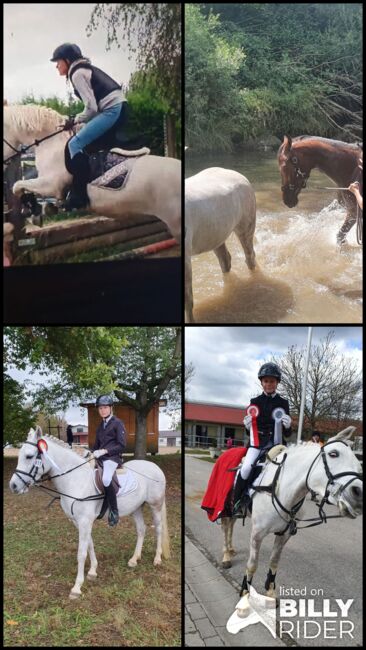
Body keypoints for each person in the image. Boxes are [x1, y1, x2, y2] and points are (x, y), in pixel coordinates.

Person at [50, 43, 127, 210]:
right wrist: (80, 121)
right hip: (117, 107)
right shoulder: (83, 69)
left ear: (68, 60)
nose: (57, 66)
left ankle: (80, 196)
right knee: (86, 140)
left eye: (58, 62)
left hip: (111, 110)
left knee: (74, 144)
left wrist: (75, 119)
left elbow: (91, 107)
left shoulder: (77, 74)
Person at [232, 362, 292, 516]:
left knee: (289, 469)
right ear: (262, 382)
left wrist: (288, 425)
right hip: (257, 443)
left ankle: (290, 507)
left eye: (272, 381)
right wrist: (247, 426)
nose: (269, 384)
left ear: (277, 383)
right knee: (245, 468)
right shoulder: (255, 402)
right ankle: (237, 502)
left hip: (277, 445)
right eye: (266, 381)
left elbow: (288, 434)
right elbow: (250, 431)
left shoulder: (283, 403)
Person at [92, 394, 126, 526]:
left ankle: (114, 510)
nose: (102, 410)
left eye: (105, 407)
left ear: (111, 408)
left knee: (106, 479)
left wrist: (105, 451)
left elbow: (121, 445)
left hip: (113, 458)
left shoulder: (118, 423)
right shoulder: (100, 426)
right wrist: (89, 452)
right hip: (100, 458)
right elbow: (95, 446)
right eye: (100, 408)